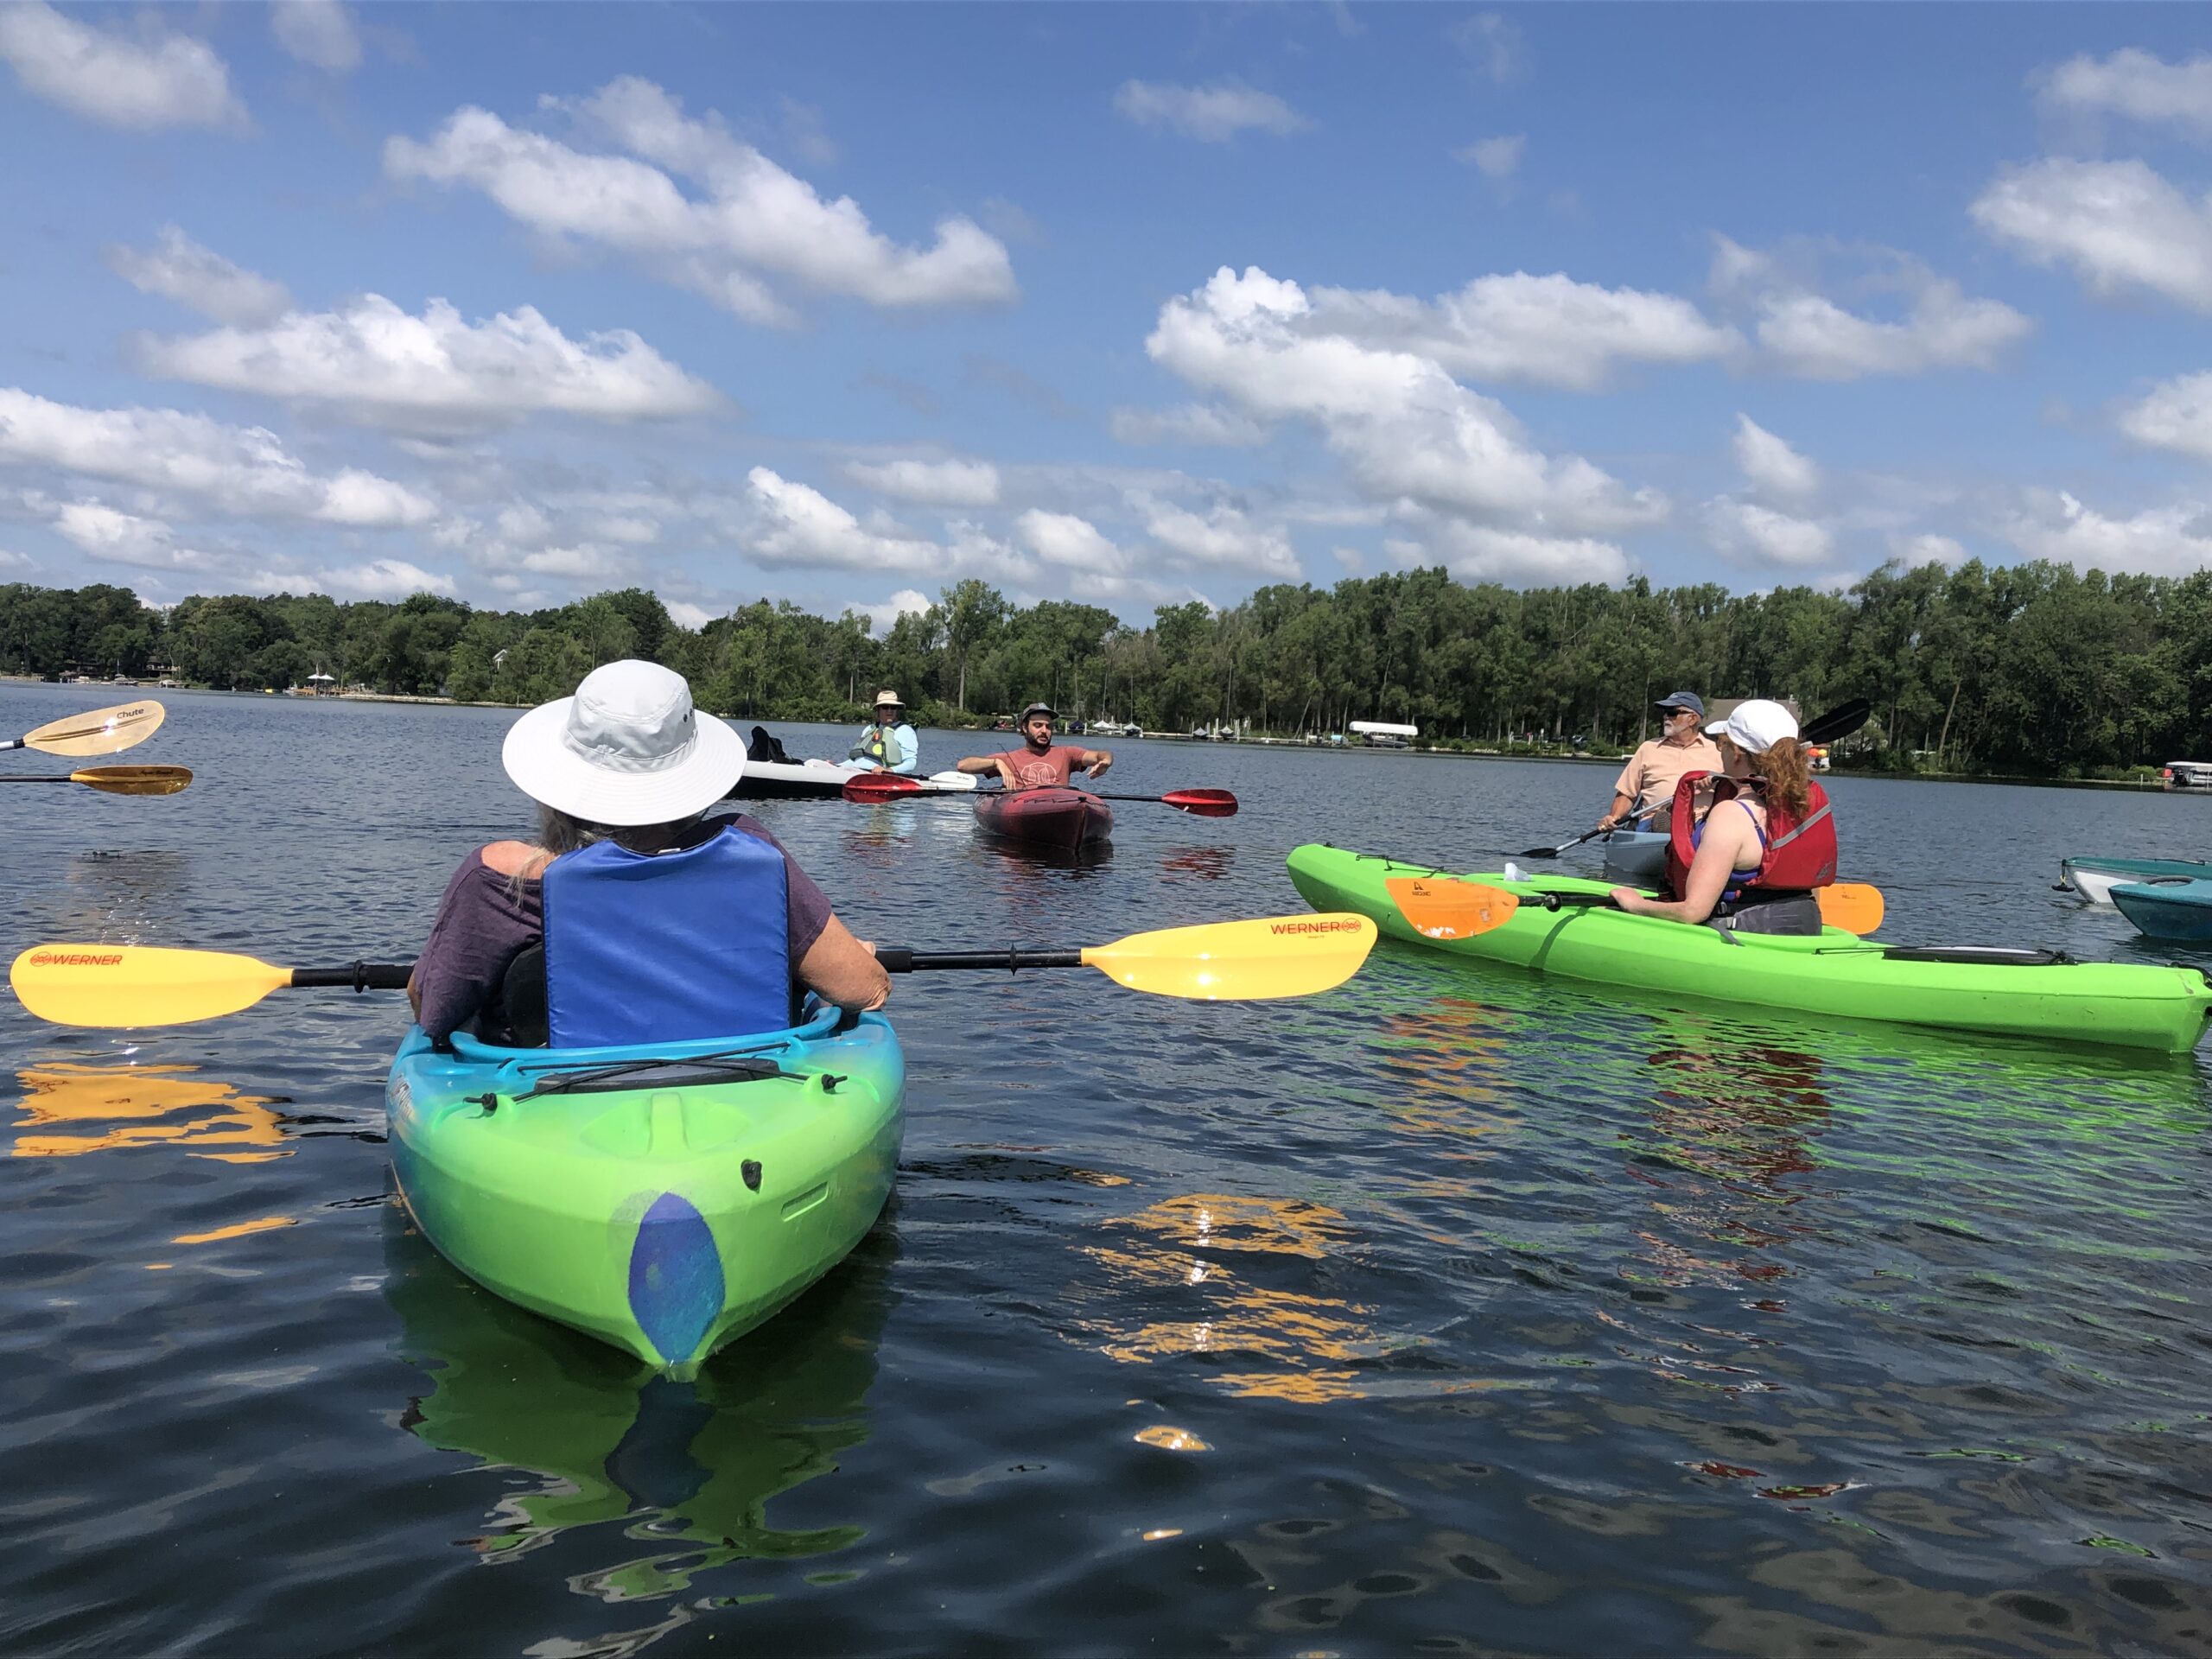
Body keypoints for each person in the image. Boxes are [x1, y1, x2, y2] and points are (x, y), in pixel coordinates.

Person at [408, 659, 888, 1047]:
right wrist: (854, 956)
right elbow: (865, 988)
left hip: (550, 1107)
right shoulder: (750, 854)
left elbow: (431, 1011)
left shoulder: (499, 880)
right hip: (734, 1097)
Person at [1609, 698, 1836, 935]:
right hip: (1805, 928)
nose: (1721, 751)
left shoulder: (1731, 814)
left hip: (1745, 934)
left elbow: (1693, 912)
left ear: (1736, 752)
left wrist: (1635, 903)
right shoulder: (1802, 805)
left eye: (1722, 744)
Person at [1598, 691, 1721, 833]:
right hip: (1653, 823)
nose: (1665, 717)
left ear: (1692, 719)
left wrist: (1715, 781)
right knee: (1664, 822)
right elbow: (1627, 793)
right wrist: (1613, 818)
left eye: (1672, 712)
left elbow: (1735, 788)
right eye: (1665, 712)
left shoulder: (1718, 752)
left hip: (1701, 824)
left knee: (1713, 828)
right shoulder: (1648, 748)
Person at [956, 701, 1113, 791]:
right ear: (1025, 727)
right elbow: (963, 766)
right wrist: (997, 763)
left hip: (1059, 807)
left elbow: (1101, 755)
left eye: (1048, 726)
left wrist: (1106, 762)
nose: (1044, 731)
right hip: (1022, 808)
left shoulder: (1067, 753)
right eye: (1038, 725)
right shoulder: (1008, 758)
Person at [839, 690, 920, 775]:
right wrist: (837, 766)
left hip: (880, 776)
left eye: (893, 707)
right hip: (856, 772)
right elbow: (857, 760)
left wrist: (890, 770)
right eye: (885, 707)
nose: (889, 711)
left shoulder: (905, 731)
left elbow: (911, 762)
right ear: (878, 710)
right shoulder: (870, 729)